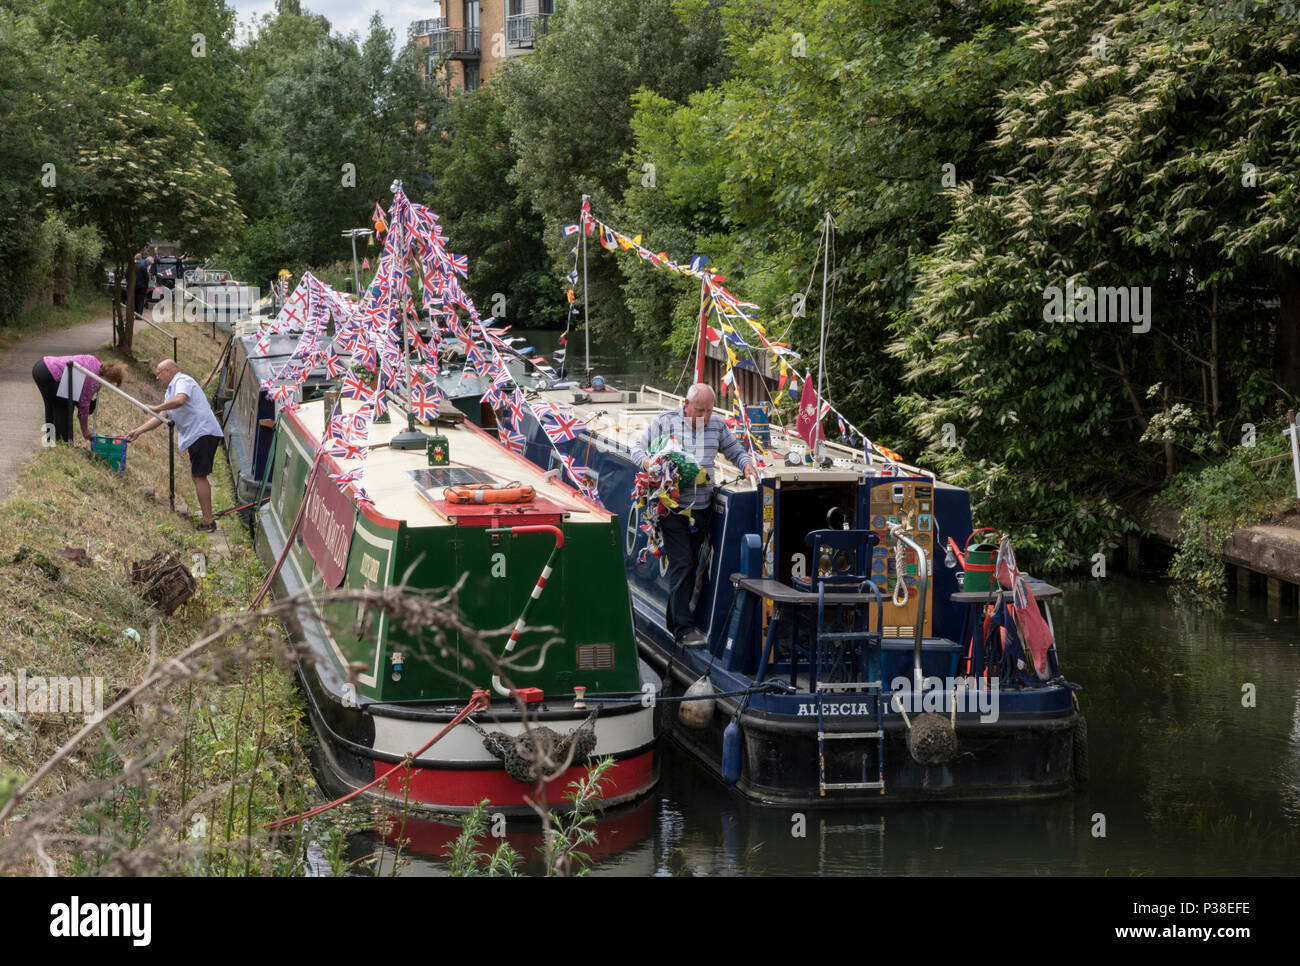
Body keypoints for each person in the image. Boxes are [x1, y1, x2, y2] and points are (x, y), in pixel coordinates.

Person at [631, 382, 759, 646]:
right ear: (685, 404)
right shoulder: (664, 422)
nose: (705, 416)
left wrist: (747, 466)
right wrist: (649, 463)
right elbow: (636, 451)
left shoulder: (718, 426)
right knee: (684, 564)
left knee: (690, 566)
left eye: (710, 410)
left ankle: (673, 620)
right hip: (672, 509)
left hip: (702, 508)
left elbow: (735, 450)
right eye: (700, 410)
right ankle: (682, 629)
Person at [125, 359, 224, 532]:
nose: (157, 377)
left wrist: (156, 406)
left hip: (202, 432)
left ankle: (208, 521)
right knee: (198, 476)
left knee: (199, 476)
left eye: (159, 373)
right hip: (198, 434)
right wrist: (138, 431)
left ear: (170, 371)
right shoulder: (170, 390)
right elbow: (162, 417)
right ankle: (208, 518)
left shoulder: (181, 381)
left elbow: (180, 400)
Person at [32, 355, 127, 443]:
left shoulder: (94, 361)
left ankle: (50, 441)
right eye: (111, 383)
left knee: (51, 406)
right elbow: (83, 406)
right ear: (110, 378)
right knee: (63, 407)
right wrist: (85, 431)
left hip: (42, 365)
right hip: (50, 374)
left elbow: (79, 392)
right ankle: (63, 443)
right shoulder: (94, 381)